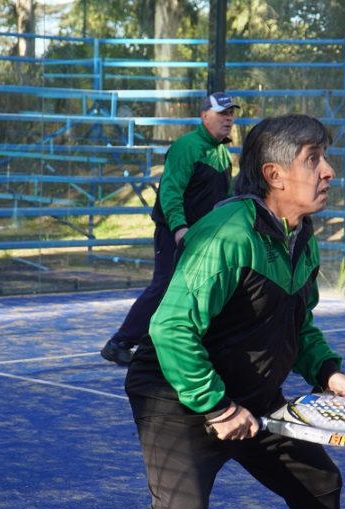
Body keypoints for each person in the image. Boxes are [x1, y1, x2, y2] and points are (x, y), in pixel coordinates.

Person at [90, 114, 345, 509]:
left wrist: (326, 370)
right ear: (275, 175)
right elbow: (171, 327)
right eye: (314, 160)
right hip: (175, 393)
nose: (329, 171)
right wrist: (217, 407)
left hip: (251, 398)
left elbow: (297, 323)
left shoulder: (301, 236)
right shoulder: (228, 234)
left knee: (319, 484)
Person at [100, 91, 240, 366]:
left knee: (205, 291)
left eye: (231, 114)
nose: (228, 119)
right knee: (164, 287)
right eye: (222, 113)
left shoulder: (223, 154)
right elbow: (170, 191)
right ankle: (119, 342)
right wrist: (179, 228)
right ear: (204, 116)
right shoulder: (186, 147)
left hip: (203, 238)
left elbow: (222, 200)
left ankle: (176, 344)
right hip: (176, 234)